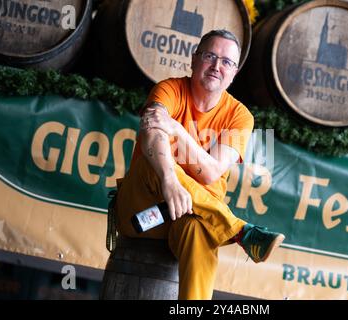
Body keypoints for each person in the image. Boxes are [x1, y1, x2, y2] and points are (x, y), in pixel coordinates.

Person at [114, 29, 285, 300]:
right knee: (154, 160)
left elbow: (212, 172)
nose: (217, 66)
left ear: (235, 72)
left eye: (227, 62)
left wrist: (178, 131)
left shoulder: (240, 116)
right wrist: (169, 180)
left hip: (193, 216)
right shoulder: (169, 89)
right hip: (146, 210)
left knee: (199, 232)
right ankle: (240, 231)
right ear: (194, 60)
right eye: (210, 56)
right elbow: (152, 132)